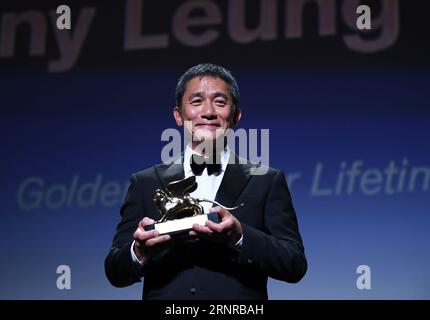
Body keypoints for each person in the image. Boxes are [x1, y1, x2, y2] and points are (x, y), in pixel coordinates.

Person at [104, 63, 307, 299]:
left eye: (220, 102)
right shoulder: (145, 182)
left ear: (236, 115)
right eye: (196, 101)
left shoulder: (266, 181)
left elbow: (294, 264)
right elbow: (114, 271)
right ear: (178, 115)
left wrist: (240, 237)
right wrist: (139, 251)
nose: (208, 111)